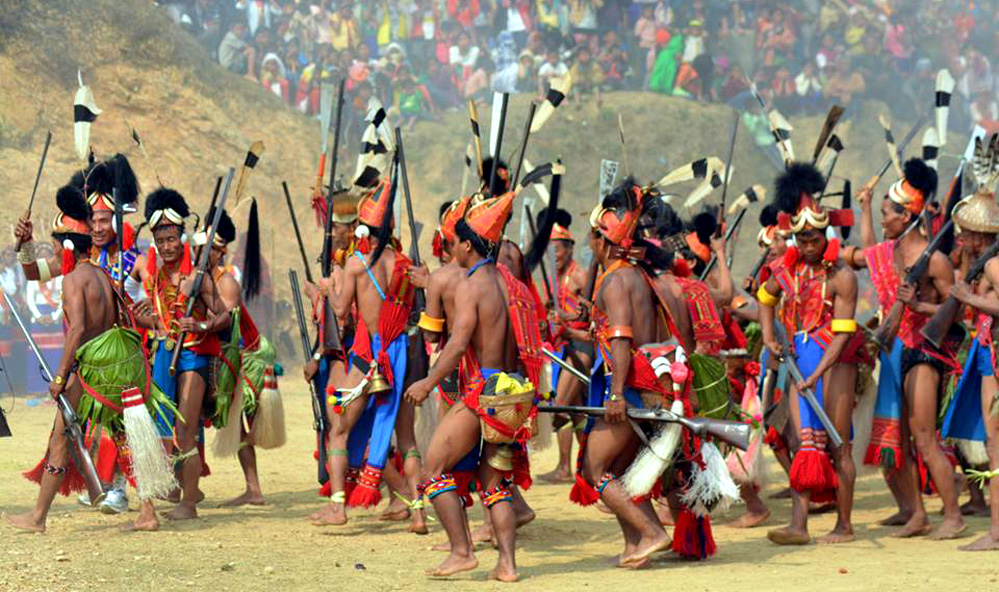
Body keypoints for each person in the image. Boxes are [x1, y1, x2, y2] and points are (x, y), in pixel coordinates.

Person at [9, 182, 173, 533]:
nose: (53, 250)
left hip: (91, 373)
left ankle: (38, 518)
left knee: (59, 439)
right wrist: (24, 244)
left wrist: (60, 377)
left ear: (64, 246)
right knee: (129, 437)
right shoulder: (100, 273)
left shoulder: (73, 279)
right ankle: (147, 512)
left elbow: (78, 329)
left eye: (54, 244)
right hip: (119, 368)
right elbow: (32, 272)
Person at [406, 188, 543, 582]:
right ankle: (507, 566)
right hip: (514, 391)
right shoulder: (511, 285)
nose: (452, 248)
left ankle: (461, 552)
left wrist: (429, 381)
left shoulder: (472, 284)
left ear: (468, 244)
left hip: (484, 390)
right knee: (494, 482)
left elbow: (457, 343)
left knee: (433, 469)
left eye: (455, 242)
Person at [843, 158, 965, 539]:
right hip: (895, 353)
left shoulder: (936, 260)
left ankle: (953, 516)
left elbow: (958, 310)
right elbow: (868, 252)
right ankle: (917, 514)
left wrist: (919, 306)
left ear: (906, 216)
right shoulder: (890, 253)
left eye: (886, 213)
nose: (883, 220)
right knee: (900, 440)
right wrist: (864, 209)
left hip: (924, 354)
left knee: (924, 437)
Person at [14, 154, 143, 515]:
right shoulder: (73, 261)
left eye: (104, 219)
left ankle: (121, 491)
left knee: (120, 429)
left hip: (120, 356)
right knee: (79, 430)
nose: (99, 226)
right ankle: (96, 486)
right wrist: (25, 244)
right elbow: (33, 272)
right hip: (82, 359)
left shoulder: (128, 258)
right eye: (94, 220)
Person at [570, 179, 673, 568]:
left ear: (602, 240)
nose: (590, 244)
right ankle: (635, 545)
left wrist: (615, 394)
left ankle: (652, 533)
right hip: (643, 382)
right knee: (620, 471)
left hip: (628, 386)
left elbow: (621, 338)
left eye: (593, 237)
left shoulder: (615, 280)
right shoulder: (637, 275)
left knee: (594, 469)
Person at [759, 163, 862, 545]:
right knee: (803, 441)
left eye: (813, 240)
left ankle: (844, 525)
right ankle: (799, 525)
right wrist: (769, 338)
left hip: (834, 364)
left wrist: (817, 374)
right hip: (798, 361)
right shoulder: (790, 270)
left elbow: (841, 335)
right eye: (800, 240)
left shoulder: (842, 276)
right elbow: (765, 298)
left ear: (825, 236)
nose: (806, 247)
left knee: (838, 444)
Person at [316, 176, 420, 532]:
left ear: (363, 230)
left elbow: (341, 311)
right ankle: (415, 510)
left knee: (339, 427)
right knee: (406, 439)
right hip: (402, 356)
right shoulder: (405, 263)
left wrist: (328, 288)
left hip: (371, 356)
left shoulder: (357, 264)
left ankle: (337, 506)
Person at [129, 188, 230, 521]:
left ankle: (189, 503)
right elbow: (151, 318)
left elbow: (225, 317)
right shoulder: (154, 276)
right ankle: (171, 489)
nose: (167, 246)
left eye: (172, 239)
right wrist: (150, 320)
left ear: (181, 238)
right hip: (163, 356)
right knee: (161, 429)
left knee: (186, 431)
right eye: (161, 240)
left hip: (193, 357)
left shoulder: (197, 278)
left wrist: (200, 325)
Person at [941, 169, 999, 551]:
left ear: (979, 235)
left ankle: (996, 532)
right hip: (987, 355)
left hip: (994, 356)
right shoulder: (984, 262)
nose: (960, 237)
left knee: (996, 446)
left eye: (965, 232)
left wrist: (968, 298)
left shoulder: (994, 265)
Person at [539, 209, 591, 483]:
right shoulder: (554, 279)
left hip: (583, 349)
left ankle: (576, 468)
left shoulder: (580, 276)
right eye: (549, 251)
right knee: (575, 410)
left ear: (569, 249)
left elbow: (594, 317)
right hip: (565, 349)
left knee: (560, 408)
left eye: (557, 250)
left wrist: (567, 322)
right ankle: (579, 468)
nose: (553, 256)